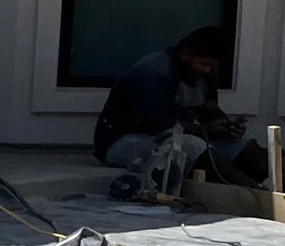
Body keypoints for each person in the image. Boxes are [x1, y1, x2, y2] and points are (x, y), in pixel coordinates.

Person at [92, 25, 262, 199]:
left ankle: (279, 189)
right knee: (191, 147)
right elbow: (153, 123)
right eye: (204, 64)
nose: (207, 70)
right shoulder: (153, 72)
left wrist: (228, 127)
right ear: (186, 55)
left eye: (211, 66)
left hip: (178, 134)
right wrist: (206, 131)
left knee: (242, 145)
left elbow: (209, 110)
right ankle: (254, 195)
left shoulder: (206, 72)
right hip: (126, 139)